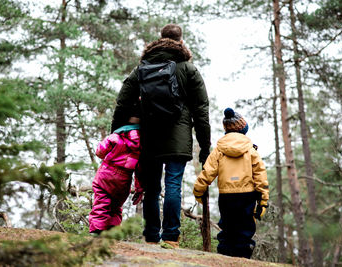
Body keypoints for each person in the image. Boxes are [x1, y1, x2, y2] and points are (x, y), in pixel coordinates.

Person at [111, 24, 211, 247]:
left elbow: (123, 102)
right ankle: (171, 237)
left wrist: (114, 137)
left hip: (149, 137)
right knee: (173, 184)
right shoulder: (188, 69)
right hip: (178, 136)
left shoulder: (142, 69)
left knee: (152, 188)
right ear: (181, 41)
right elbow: (201, 110)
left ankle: (151, 236)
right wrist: (205, 147)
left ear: (160, 39)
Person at [193, 108, 269, 258]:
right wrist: (263, 201)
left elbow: (207, 172)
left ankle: (224, 258)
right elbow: (260, 176)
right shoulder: (251, 151)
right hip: (247, 196)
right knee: (245, 230)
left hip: (226, 196)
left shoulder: (219, 150)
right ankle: (243, 258)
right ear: (243, 129)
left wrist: (198, 191)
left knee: (227, 228)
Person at [89, 116, 144, 234]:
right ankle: (113, 232)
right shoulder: (141, 147)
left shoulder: (115, 137)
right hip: (124, 180)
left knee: (101, 202)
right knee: (116, 207)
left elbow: (99, 152)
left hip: (106, 175)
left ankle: (97, 231)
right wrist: (139, 189)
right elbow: (140, 170)